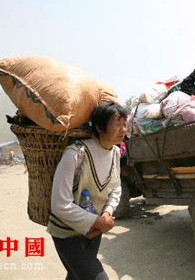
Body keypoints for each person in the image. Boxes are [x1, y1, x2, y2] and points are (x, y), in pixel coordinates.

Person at [47, 103, 126, 280]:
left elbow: (116, 188)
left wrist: (106, 213)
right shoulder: (76, 154)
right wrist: (99, 221)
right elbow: (59, 205)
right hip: (67, 234)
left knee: (77, 276)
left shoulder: (115, 153)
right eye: (117, 123)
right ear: (99, 127)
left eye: (125, 123)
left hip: (93, 232)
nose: (123, 129)